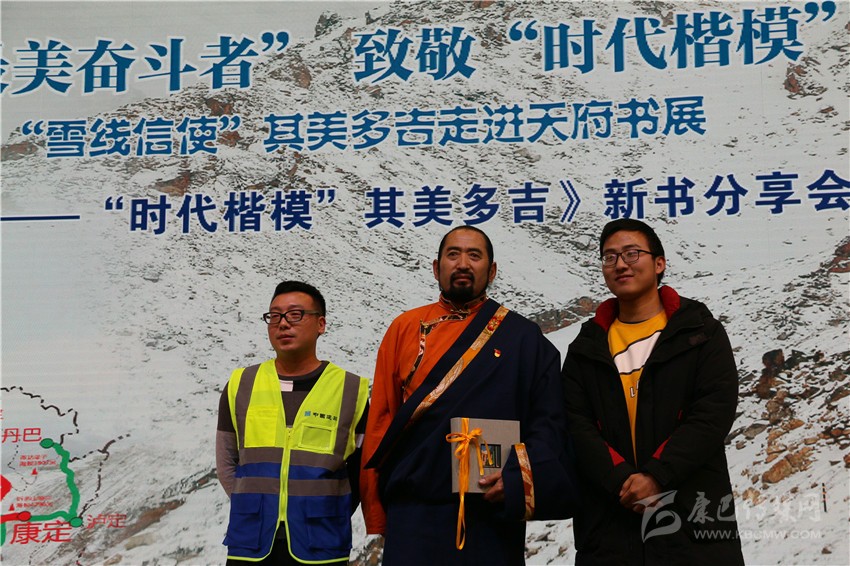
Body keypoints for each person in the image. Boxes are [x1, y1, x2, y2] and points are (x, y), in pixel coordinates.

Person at [361, 226, 578, 565]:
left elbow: (548, 423)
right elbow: (381, 422)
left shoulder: (523, 338)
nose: (463, 263)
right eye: (453, 254)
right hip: (413, 513)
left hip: (491, 512)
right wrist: (376, 515)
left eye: (474, 255)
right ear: (437, 268)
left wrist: (516, 479)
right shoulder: (405, 328)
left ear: (492, 271)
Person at [562, 219, 745, 565]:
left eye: (632, 253)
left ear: (659, 263)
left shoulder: (699, 332)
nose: (620, 264)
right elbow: (575, 423)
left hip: (692, 522)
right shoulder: (586, 346)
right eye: (610, 257)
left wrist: (657, 475)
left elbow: (712, 412)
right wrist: (623, 481)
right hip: (610, 527)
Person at [216, 281, 369, 565]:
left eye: (295, 314)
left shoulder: (350, 390)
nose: (283, 324)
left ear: (321, 324)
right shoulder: (241, 384)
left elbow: (362, 470)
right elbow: (226, 461)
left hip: (321, 543)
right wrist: (252, 505)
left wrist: (329, 510)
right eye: (274, 316)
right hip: (250, 542)